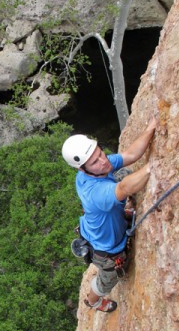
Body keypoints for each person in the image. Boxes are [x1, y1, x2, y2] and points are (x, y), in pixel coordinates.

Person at [62, 119, 157, 313]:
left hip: (97, 228)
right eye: (95, 161)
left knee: (123, 171)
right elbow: (122, 188)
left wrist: (150, 128)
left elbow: (130, 155)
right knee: (109, 279)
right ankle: (93, 301)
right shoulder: (95, 193)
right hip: (107, 251)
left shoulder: (95, 169)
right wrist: (151, 168)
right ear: (82, 169)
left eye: (100, 153)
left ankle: (123, 212)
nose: (103, 161)